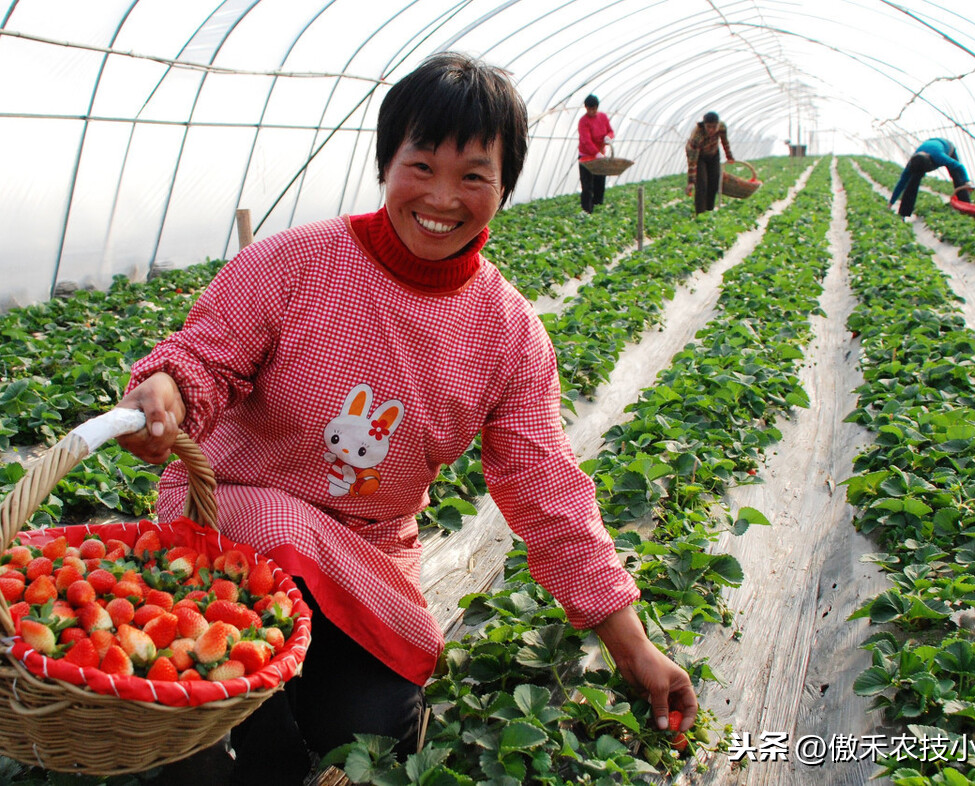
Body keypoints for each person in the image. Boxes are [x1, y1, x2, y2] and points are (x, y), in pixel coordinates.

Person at [115, 52, 697, 785]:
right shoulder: (292, 265)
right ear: (386, 164)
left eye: (473, 176)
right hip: (227, 535)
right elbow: (204, 358)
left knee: (368, 735)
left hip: (362, 563)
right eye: (420, 166)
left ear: (506, 187)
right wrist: (165, 395)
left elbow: (544, 486)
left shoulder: (508, 332)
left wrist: (631, 645)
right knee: (215, 728)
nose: (442, 197)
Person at [890, 138, 972, 219]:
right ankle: (903, 213)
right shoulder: (913, 163)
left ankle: (965, 206)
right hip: (927, 150)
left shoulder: (939, 157)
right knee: (913, 181)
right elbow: (902, 182)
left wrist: (966, 181)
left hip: (947, 146)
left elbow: (959, 166)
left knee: (957, 176)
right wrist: (891, 202)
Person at [685, 111, 734, 215]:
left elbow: (724, 141)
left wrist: (729, 156)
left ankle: (709, 210)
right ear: (704, 125)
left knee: (714, 181)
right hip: (699, 156)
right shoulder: (697, 136)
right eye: (708, 127)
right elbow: (692, 161)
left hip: (713, 153)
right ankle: (700, 214)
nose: (711, 130)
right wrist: (690, 181)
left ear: (718, 124)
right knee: (701, 184)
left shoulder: (722, 127)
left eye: (714, 127)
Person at [577, 94, 615, 213]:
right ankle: (587, 211)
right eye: (589, 109)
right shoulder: (583, 121)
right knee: (587, 187)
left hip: (600, 157)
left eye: (594, 109)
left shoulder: (603, 117)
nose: (592, 111)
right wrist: (596, 153)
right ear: (586, 108)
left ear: (597, 107)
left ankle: (598, 209)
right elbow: (586, 140)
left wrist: (609, 137)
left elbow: (610, 131)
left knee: (600, 184)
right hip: (586, 158)